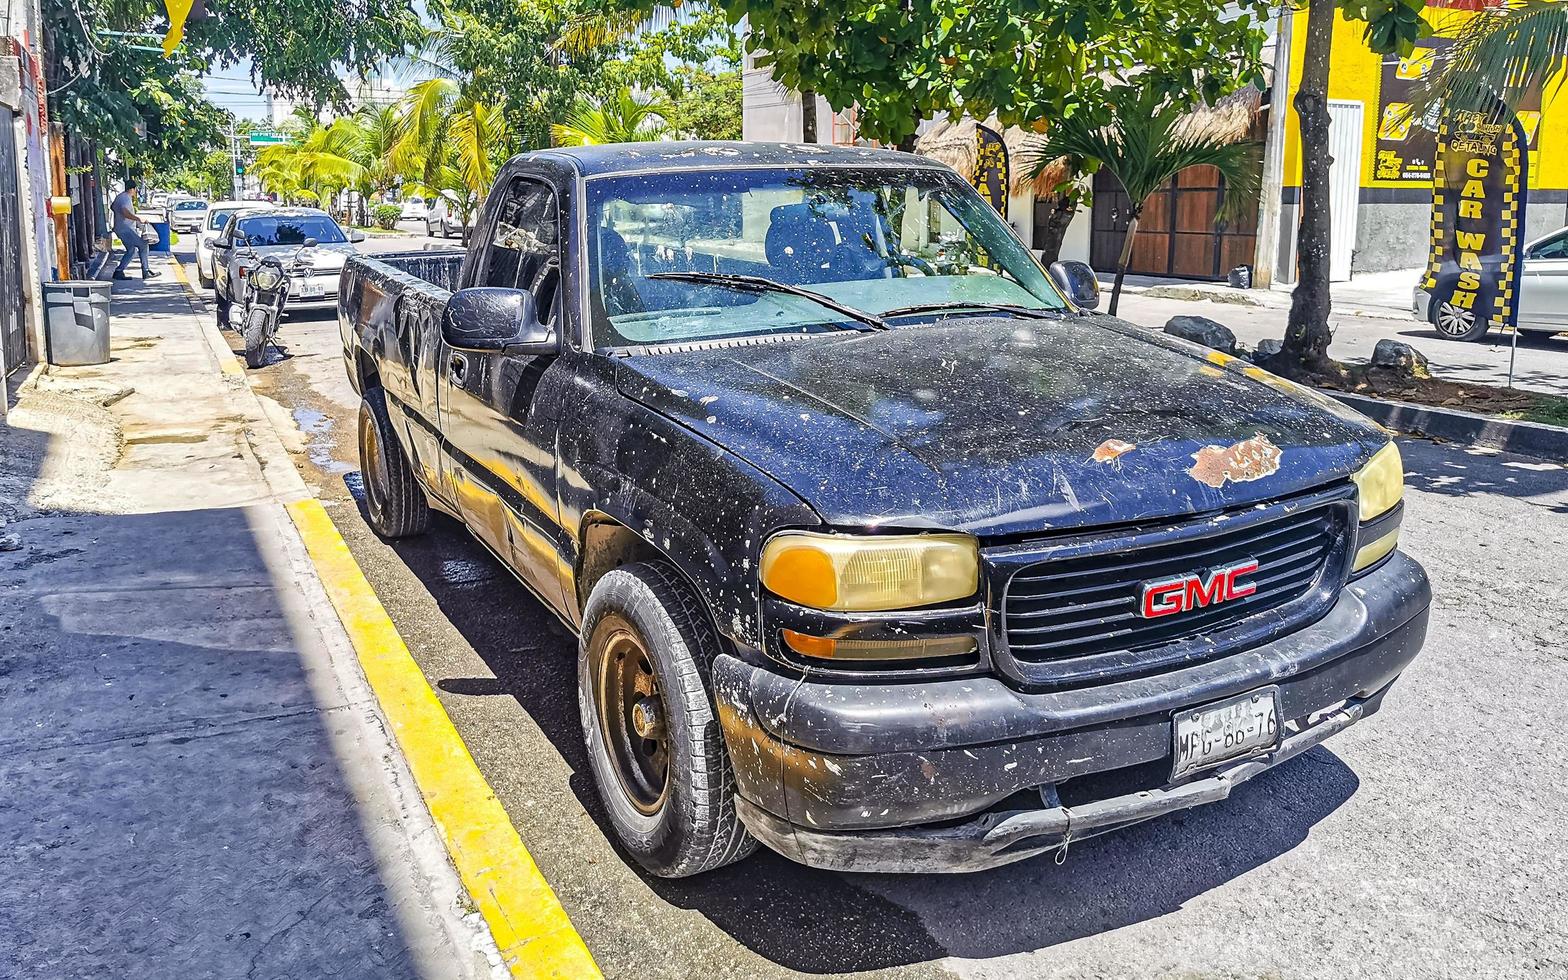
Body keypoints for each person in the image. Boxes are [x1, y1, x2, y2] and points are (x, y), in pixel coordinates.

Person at [111, 179, 158, 281]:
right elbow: (124, 211)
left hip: (121, 228)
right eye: (135, 190)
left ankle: (118, 271)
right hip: (125, 229)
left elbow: (112, 207)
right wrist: (138, 219)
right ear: (133, 189)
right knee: (143, 244)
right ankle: (146, 270)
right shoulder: (126, 198)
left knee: (131, 250)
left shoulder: (120, 197)